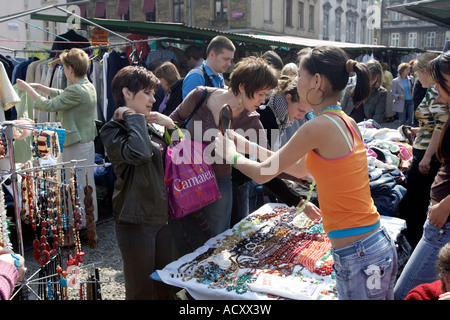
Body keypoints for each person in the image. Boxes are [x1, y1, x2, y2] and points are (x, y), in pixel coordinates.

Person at [214, 45, 398, 300]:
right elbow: (297, 167)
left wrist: (231, 156)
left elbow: (264, 174)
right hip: (369, 245)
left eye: (300, 75)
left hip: (360, 253)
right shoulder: (344, 120)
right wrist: (245, 145)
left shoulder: (318, 126)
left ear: (317, 81)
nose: (296, 82)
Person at [167, 56, 278, 258]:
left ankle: (204, 286)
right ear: (243, 87)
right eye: (261, 94)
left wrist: (303, 184)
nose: (264, 101)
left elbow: (271, 162)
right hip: (186, 179)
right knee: (181, 239)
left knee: (214, 245)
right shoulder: (200, 95)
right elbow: (173, 122)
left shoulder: (252, 120)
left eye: (266, 95)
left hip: (220, 184)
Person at [99, 66, 175, 300]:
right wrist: (132, 117)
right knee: (140, 292)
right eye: (148, 93)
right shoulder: (112, 129)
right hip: (135, 218)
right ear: (127, 93)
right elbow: (141, 154)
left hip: (163, 215)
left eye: (154, 93)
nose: (154, 99)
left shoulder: (150, 122)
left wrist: (170, 125)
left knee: (166, 286)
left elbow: (178, 154)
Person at [16, 48, 98, 226]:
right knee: (84, 183)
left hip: (76, 143)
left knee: (75, 186)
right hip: (85, 141)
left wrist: (29, 89)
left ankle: (80, 224)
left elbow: (48, 105)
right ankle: (87, 222)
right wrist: (41, 87)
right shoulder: (87, 85)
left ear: (69, 69)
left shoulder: (76, 90)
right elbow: (62, 95)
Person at [394, 51, 450, 300]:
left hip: (443, 221)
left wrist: (444, 207)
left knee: (405, 294)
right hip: (441, 218)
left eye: (441, 81)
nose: (436, 87)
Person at [342, 59, 387, 125]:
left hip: (367, 129)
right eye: (368, 78)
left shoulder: (381, 93)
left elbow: (377, 118)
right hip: (348, 126)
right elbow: (342, 110)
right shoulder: (350, 88)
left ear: (378, 78)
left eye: (373, 79)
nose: (370, 82)